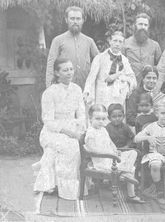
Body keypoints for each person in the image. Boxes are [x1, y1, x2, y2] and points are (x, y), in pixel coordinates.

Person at [33, 58, 85, 213]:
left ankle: (61, 185)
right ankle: (61, 187)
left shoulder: (76, 89)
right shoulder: (50, 92)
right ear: (56, 72)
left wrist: (80, 129)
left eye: (71, 69)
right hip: (53, 131)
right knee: (69, 147)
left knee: (76, 144)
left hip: (73, 127)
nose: (69, 73)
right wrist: (67, 131)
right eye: (65, 70)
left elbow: (81, 113)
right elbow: (48, 120)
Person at [85, 104, 145, 203]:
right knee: (131, 169)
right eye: (97, 119)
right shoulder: (90, 133)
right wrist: (109, 153)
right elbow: (92, 151)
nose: (101, 121)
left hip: (111, 157)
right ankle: (130, 190)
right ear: (90, 119)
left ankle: (125, 173)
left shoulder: (103, 129)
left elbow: (110, 142)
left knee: (133, 152)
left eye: (103, 119)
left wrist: (115, 150)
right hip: (102, 162)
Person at [45, 6, 99, 89]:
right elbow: (51, 64)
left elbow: (99, 61)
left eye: (78, 19)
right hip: (64, 87)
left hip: (85, 88)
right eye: (72, 18)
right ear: (66, 20)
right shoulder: (58, 40)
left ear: (82, 20)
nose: (75, 22)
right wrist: (49, 87)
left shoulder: (89, 41)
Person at [84, 31, 136, 109]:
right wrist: (87, 91)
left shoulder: (124, 60)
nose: (117, 44)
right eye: (115, 41)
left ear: (123, 44)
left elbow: (133, 80)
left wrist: (119, 77)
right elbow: (91, 77)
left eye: (120, 42)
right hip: (103, 96)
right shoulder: (100, 58)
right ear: (110, 41)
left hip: (118, 97)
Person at [123, 13, 162, 84]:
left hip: (148, 87)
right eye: (140, 24)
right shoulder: (125, 44)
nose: (143, 27)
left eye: (145, 25)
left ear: (148, 27)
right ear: (135, 25)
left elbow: (161, 68)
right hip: (130, 86)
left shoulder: (155, 45)